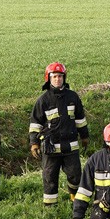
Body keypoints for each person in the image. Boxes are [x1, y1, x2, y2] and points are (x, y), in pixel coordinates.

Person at [29, 62, 89, 207]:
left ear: (64, 78)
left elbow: (80, 119)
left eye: (60, 76)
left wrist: (85, 136)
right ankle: (51, 207)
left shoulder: (73, 97)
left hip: (70, 145)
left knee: (75, 175)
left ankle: (74, 196)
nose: (57, 79)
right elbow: (35, 123)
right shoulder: (43, 100)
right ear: (48, 78)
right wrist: (34, 143)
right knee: (49, 178)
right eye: (54, 76)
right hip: (51, 147)